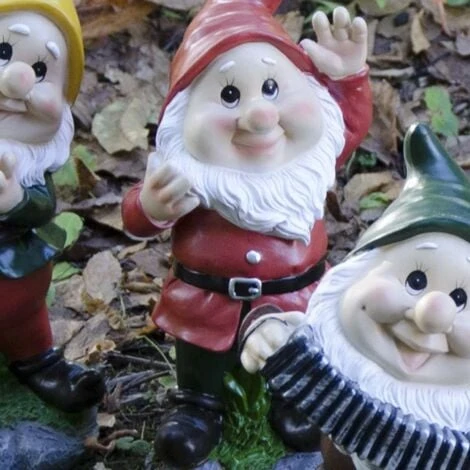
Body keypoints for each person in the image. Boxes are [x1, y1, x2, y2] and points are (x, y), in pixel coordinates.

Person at [121, 0, 372, 465]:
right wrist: (152, 206)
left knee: (298, 355)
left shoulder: (304, 161)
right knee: (200, 360)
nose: (260, 117)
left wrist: (348, 79)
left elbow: (347, 127)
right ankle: (197, 406)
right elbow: (136, 218)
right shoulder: (190, 180)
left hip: (294, 298)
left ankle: (292, 399)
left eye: (273, 88)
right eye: (230, 95)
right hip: (208, 303)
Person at [242, 123, 470, 469]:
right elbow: (284, 329)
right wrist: (267, 331)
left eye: (461, 300)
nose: (432, 314)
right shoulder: (330, 348)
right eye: (416, 279)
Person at [0, 0, 105, 413]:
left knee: (26, 327)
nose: (16, 83)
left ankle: (41, 365)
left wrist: (17, 200)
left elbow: (42, 208)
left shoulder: (29, 168)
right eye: (4, 52)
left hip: (16, 273)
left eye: (41, 70)